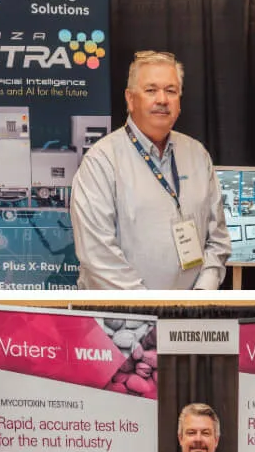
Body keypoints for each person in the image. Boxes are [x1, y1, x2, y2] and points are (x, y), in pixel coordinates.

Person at [71, 51, 230, 289]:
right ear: (130, 98)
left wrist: (201, 294)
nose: (162, 99)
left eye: (171, 90)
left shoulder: (198, 156)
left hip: (188, 317)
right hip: (122, 320)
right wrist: (150, 307)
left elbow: (217, 239)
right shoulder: (102, 161)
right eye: (151, 90)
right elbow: (97, 256)